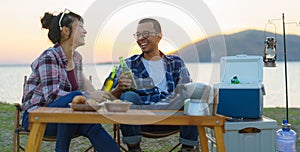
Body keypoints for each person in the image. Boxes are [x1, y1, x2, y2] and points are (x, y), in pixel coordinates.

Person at [22, 9, 120, 152]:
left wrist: (114, 91)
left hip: (65, 115)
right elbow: (53, 96)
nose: (85, 31)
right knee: (73, 100)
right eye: (80, 26)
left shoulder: (77, 59)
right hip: (36, 117)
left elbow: (92, 93)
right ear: (66, 31)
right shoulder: (49, 57)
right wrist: (86, 97)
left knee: (92, 126)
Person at [110, 18, 199, 152]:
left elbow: (187, 90)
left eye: (145, 34)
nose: (141, 38)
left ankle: (188, 148)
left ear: (159, 37)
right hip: (140, 120)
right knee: (128, 96)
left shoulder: (175, 63)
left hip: (172, 117)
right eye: (138, 35)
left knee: (189, 96)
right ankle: (134, 148)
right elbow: (108, 97)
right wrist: (118, 89)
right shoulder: (129, 64)